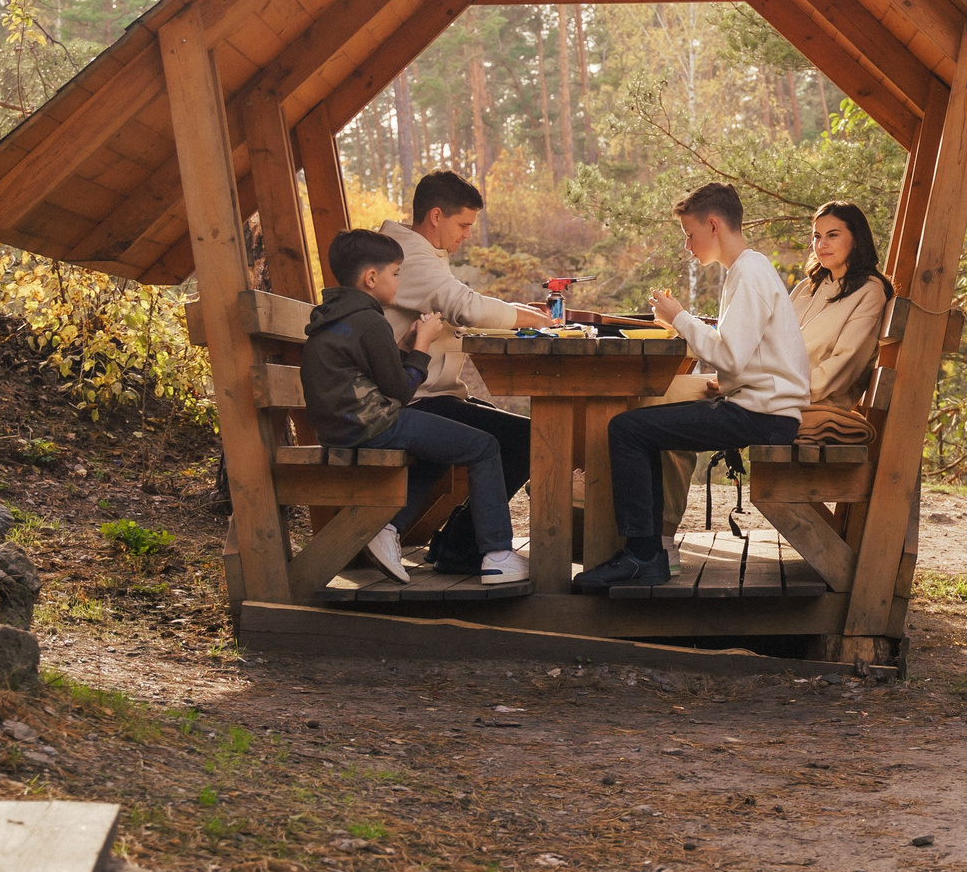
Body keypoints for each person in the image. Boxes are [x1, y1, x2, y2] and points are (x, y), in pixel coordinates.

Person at [573, 183, 808, 592]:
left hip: (764, 417)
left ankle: (642, 556)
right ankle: (646, 553)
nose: (687, 245)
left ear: (713, 225)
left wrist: (679, 317)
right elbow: (748, 358)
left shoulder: (749, 273)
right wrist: (731, 383)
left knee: (627, 430)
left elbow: (731, 355)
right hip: (761, 409)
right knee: (635, 428)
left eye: (689, 233)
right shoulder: (748, 270)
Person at [300, 229, 528, 590]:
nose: (398, 281)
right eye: (395, 274)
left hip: (344, 426)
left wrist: (405, 346)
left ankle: (388, 527)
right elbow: (401, 392)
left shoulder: (340, 316)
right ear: (371, 278)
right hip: (374, 425)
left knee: (439, 446)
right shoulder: (370, 321)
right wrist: (422, 344)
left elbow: (378, 373)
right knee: (485, 446)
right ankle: (497, 554)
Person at [376, 171, 559, 573]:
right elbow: (466, 305)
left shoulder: (418, 252)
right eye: (463, 225)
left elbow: (462, 303)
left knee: (518, 435)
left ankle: (457, 547)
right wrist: (535, 320)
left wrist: (519, 314)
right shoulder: (407, 255)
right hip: (413, 399)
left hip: (428, 395)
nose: (467, 235)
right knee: (520, 439)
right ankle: (472, 550)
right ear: (436, 216)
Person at [790, 201, 892, 438]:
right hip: (778, 396)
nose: (821, 244)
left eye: (832, 235)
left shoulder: (869, 292)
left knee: (693, 416)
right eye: (816, 236)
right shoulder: (807, 287)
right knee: (692, 397)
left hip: (811, 406)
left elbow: (840, 370)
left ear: (856, 238)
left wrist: (774, 390)